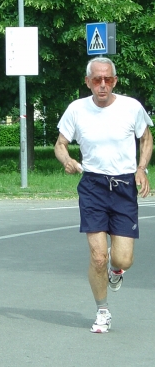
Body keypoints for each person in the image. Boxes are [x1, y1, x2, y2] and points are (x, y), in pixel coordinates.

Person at [54, 57, 153, 334]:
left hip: (123, 186)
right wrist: (66, 160)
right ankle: (102, 311)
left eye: (107, 79)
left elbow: (146, 138)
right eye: (96, 80)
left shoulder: (131, 107)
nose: (102, 85)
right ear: (87, 82)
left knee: (123, 260)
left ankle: (116, 270)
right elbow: (60, 144)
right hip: (93, 186)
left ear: (115, 81)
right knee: (98, 256)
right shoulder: (76, 109)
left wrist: (141, 168)